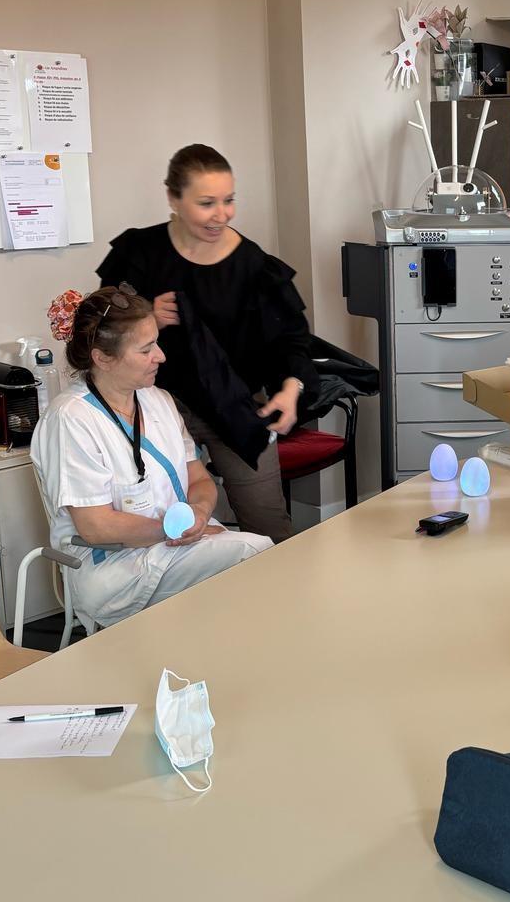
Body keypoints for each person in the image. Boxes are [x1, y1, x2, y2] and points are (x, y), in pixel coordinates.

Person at [96, 145, 318, 544]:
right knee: (163, 522)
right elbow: (104, 326)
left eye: (228, 200)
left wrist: (290, 388)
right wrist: (147, 315)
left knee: (268, 523)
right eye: (206, 203)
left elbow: (291, 338)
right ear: (173, 199)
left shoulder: (253, 265)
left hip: (236, 405)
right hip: (156, 407)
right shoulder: (141, 253)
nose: (222, 214)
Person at [31, 287, 272, 632]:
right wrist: (174, 530)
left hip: (178, 548)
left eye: (156, 343)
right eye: (146, 350)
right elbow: (96, 527)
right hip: (114, 568)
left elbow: (199, 479)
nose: (161, 356)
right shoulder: (70, 420)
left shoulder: (158, 401)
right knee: (255, 552)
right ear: (103, 358)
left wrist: (199, 513)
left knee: (253, 570)